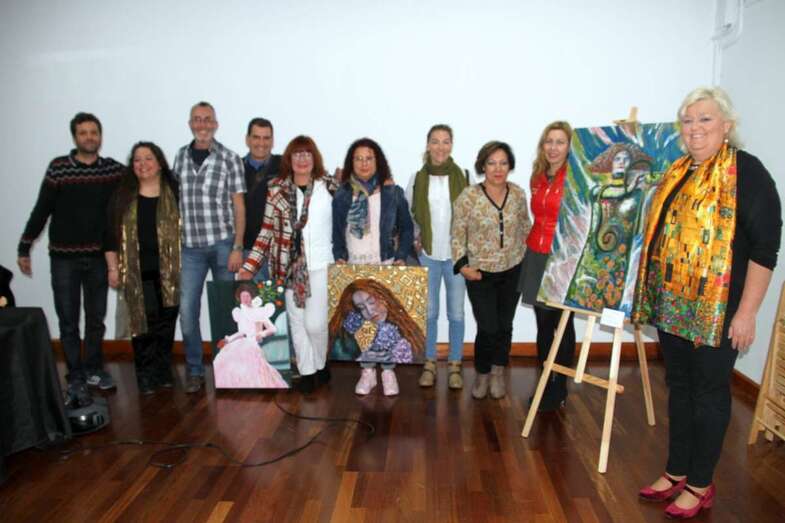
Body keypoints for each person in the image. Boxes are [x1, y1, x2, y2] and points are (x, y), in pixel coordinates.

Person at [633, 87, 781, 519]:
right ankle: (676, 470)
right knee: (679, 387)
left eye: (705, 119)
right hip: (673, 307)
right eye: (688, 120)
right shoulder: (678, 170)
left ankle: (700, 484)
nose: (694, 128)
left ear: (727, 126)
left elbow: (765, 249)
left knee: (710, 392)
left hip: (720, 310)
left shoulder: (746, 172)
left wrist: (747, 313)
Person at [17, 112, 124, 404]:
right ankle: (75, 376)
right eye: (83, 133)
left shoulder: (112, 171)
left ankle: (94, 369)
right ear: (75, 137)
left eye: (94, 132)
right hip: (64, 259)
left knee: (96, 319)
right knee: (68, 320)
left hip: (99, 259)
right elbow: (42, 209)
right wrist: (25, 247)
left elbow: (143, 179)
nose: (89, 137)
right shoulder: (59, 169)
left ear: (100, 136)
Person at [239, 136, 336, 393]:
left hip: (321, 265)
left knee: (315, 324)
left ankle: (320, 363)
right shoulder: (276, 189)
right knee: (297, 323)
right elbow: (266, 231)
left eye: (307, 154)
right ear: (289, 160)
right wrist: (249, 266)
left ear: (315, 158)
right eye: (297, 154)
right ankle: (307, 372)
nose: (302, 159)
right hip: (287, 267)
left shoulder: (329, 186)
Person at [172, 101, 246, 393]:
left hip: (223, 245)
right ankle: (194, 370)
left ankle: (229, 371)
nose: (202, 124)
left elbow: (239, 206)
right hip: (190, 248)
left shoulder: (229, 158)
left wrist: (238, 246)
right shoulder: (179, 157)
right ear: (190, 124)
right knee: (187, 312)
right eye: (197, 119)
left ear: (215, 124)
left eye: (207, 119)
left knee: (226, 310)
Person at [332, 138, 414, 395]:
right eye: (358, 159)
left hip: (384, 263)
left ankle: (388, 373)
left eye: (369, 158)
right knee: (363, 324)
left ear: (378, 161)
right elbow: (337, 232)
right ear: (351, 163)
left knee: (385, 321)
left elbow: (407, 228)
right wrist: (339, 256)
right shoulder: (343, 194)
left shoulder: (392, 192)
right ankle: (367, 373)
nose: (364, 163)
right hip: (354, 267)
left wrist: (401, 256)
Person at [452, 141, 531, 400]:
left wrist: (530, 261)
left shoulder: (518, 194)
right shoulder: (469, 196)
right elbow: (457, 233)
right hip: (480, 274)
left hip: (513, 270)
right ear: (482, 166)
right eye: (492, 163)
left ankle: (498, 371)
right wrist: (463, 267)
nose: (498, 169)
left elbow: (526, 227)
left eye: (503, 163)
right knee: (487, 327)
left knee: (505, 325)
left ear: (510, 166)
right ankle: (483, 372)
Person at [105, 142, 180, 395]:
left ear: (159, 163)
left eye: (148, 158)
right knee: (143, 326)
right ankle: (145, 375)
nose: (143, 164)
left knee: (166, 324)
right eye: (137, 160)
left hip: (171, 272)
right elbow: (109, 234)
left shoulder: (174, 191)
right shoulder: (123, 195)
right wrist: (113, 268)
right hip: (137, 273)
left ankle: (163, 371)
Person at [406, 124, 470, 390]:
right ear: (428, 145)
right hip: (428, 256)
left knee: (456, 314)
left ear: (451, 145)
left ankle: (455, 364)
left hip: (456, 258)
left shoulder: (464, 177)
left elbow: (471, 217)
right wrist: (416, 238)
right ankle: (429, 363)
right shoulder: (417, 179)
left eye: (445, 141)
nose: (440, 147)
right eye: (435, 141)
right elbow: (409, 215)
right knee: (429, 313)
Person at [518, 121, 576, 411]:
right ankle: (544, 381)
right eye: (549, 141)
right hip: (536, 255)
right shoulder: (537, 176)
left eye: (560, 142)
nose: (553, 147)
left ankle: (560, 386)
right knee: (543, 324)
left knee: (563, 325)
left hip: (562, 257)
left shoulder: (576, 177)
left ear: (569, 147)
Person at [566, 142, 653, 311]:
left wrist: (644, 186)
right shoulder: (599, 191)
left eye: (626, 159)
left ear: (631, 165)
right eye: (617, 159)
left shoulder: (637, 194)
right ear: (610, 163)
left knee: (610, 299)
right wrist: (631, 186)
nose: (621, 162)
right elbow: (615, 193)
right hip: (593, 256)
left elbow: (640, 224)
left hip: (618, 260)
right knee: (582, 294)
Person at [328, 279, 425, 372]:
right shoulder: (348, 336)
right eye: (361, 308)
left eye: (372, 302)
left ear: (384, 297)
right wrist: (362, 360)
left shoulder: (408, 329)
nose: (370, 311)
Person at [212, 283, 288, 388]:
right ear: (239, 298)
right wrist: (228, 339)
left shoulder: (258, 311)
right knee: (227, 358)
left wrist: (262, 333)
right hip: (240, 343)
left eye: (247, 296)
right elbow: (242, 333)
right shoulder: (240, 313)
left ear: (252, 297)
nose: (245, 299)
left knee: (249, 363)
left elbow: (273, 328)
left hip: (252, 343)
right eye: (243, 296)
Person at [242, 118, 281, 281]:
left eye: (266, 138)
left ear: (272, 141)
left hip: (278, 253)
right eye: (256, 137)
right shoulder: (235, 167)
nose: (261, 143)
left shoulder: (285, 165)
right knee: (254, 297)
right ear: (247, 139)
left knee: (280, 298)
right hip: (248, 251)